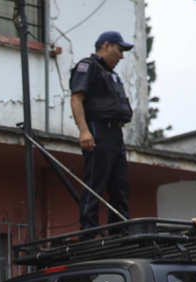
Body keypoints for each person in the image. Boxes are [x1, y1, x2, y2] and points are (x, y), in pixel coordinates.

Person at [70, 30, 134, 234]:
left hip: (115, 134)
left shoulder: (112, 75)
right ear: (106, 45)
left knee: (120, 187)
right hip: (98, 129)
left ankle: (120, 233)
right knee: (95, 184)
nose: (122, 56)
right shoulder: (88, 66)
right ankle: (89, 233)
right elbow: (76, 99)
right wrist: (84, 131)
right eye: (120, 50)